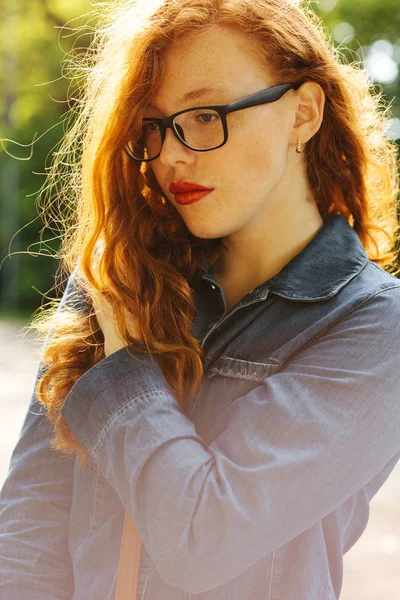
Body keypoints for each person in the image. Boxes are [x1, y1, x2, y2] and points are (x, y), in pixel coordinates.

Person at [1, 0, 400, 598]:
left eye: (207, 114)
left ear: (304, 113)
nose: (169, 155)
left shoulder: (374, 324)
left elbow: (204, 538)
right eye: (154, 126)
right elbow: (29, 524)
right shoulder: (120, 278)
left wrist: (126, 367)